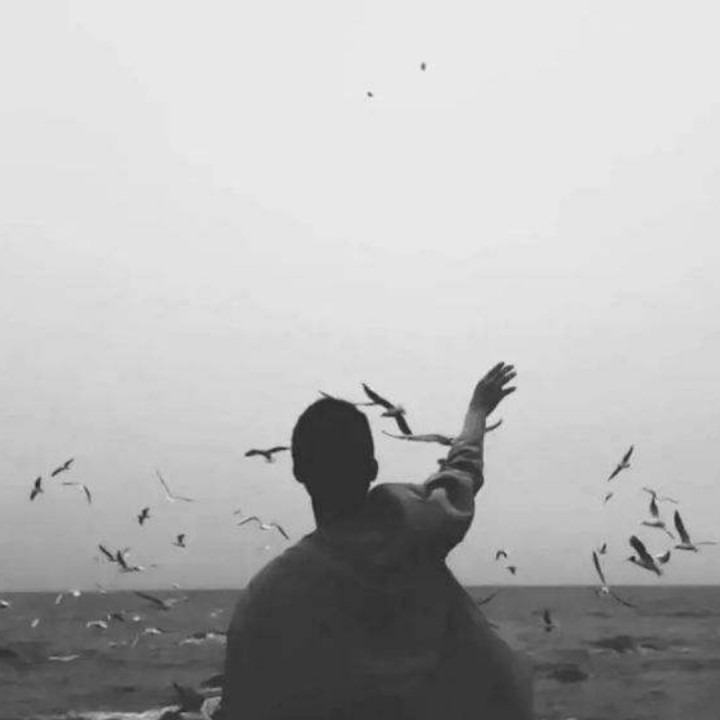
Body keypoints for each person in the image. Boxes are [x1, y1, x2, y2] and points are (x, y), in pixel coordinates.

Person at [219, 362, 533, 720]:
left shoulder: (267, 595)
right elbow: (462, 472)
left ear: (298, 471)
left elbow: (242, 704)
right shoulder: (414, 525)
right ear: (373, 469)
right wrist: (477, 411)